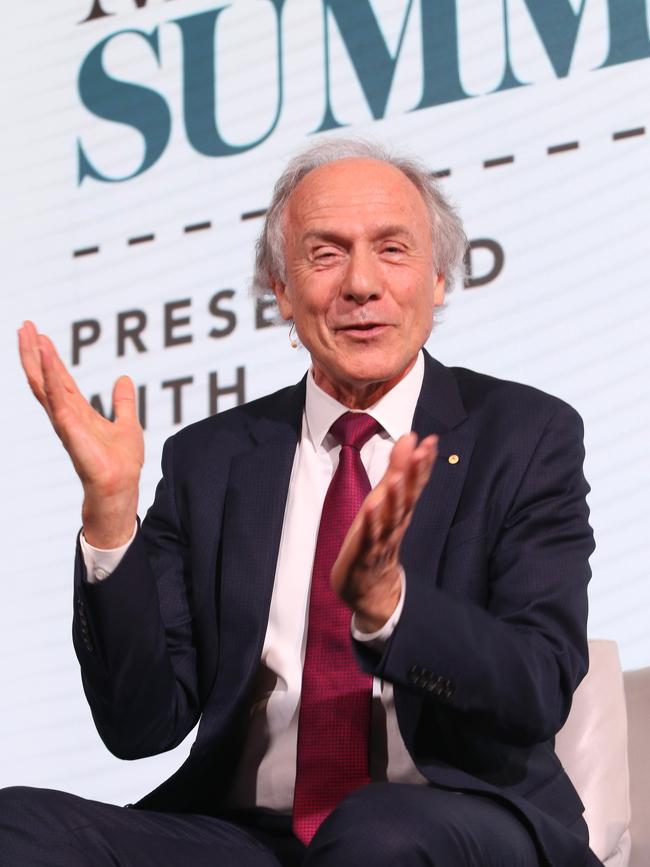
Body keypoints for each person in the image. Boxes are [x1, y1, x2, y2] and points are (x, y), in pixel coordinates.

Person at [3, 139, 602, 866]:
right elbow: (139, 723)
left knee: (374, 833)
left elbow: (537, 684)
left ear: (438, 278)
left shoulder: (523, 435)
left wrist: (391, 608)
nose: (360, 284)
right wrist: (108, 515)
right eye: (325, 255)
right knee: (19, 827)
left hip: (464, 817)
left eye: (392, 250)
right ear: (281, 291)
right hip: (254, 839)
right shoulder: (213, 459)